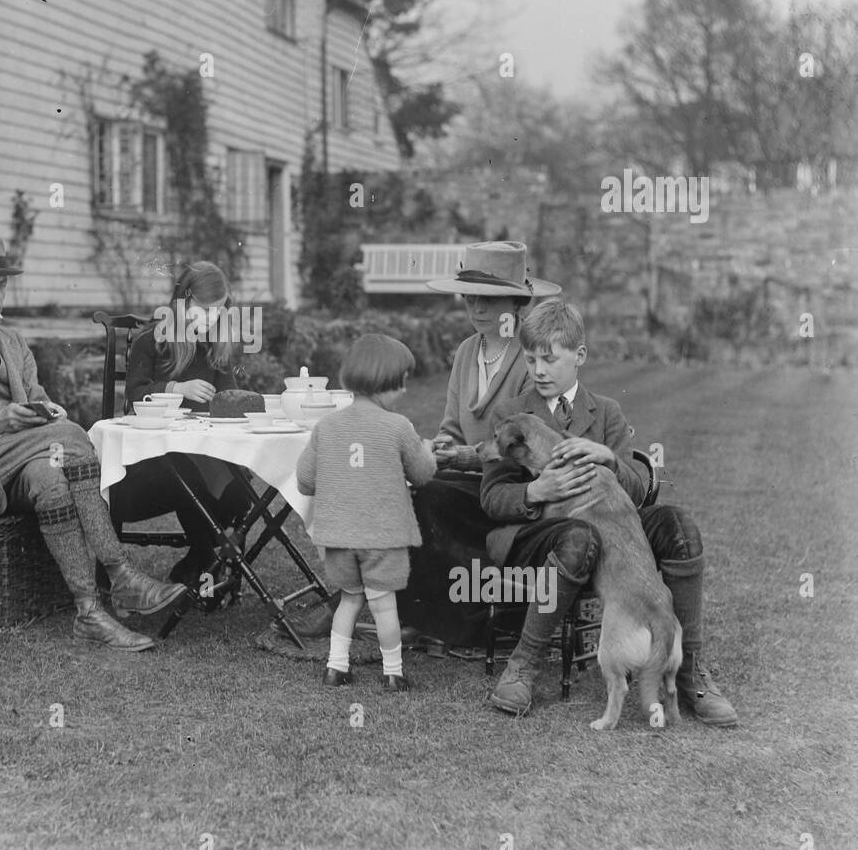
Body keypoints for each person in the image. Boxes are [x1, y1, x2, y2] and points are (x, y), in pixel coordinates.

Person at [0, 236, 187, 652]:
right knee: (75, 436)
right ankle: (121, 573)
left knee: (53, 481)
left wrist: (46, 410)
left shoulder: (12, 340)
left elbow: (36, 398)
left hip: (29, 463)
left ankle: (89, 611)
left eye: (0, 284)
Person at [287, 241, 560, 643]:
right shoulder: (468, 352)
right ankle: (382, 602)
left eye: (489, 299)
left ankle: (373, 604)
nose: (476, 309)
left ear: (516, 303)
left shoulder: (530, 359)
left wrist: (461, 456)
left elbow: (527, 450)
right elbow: (451, 426)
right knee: (400, 485)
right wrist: (439, 446)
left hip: (513, 489)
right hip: (472, 481)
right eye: (469, 297)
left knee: (423, 495)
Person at [481, 300, 738, 726]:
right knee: (579, 536)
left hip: (614, 524)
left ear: (579, 356)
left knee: (679, 526)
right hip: (538, 535)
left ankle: (690, 670)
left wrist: (611, 460)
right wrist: (534, 488)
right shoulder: (510, 415)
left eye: (550, 359)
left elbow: (640, 493)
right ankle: (524, 664)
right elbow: (491, 498)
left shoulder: (606, 413)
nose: (539, 370)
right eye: (530, 360)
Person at [296, 335, 437, 691]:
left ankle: (336, 667)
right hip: (382, 539)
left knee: (349, 600)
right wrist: (428, 449)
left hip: (338, 540)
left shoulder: (326, 426)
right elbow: (421, 473)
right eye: (402, 382)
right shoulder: (398, 427)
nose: (405, 390)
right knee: (385, 607)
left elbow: (304, 480)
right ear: (384, 384)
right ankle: (393, 672)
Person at [113, 261, 253, 590]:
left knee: (238, 492)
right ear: (183, 302)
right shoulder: (153, 340)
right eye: (203, 310)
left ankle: (198, 563)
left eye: (218, 311)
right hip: (153, 460)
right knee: (192, 476)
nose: (211, 319)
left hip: (204, 451)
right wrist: (176, 389)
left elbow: (229, 396)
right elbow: (133, 397)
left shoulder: (218, 343)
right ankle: (206, 561)